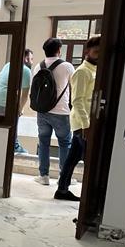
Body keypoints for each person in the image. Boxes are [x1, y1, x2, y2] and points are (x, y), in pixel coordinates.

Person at [54, 36, 100, 201]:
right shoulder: (82, 72)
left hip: (86, 122)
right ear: (87, 51)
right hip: (82, 123)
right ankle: (86, 195)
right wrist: (86, 124)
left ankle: (62, 190)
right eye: (96, 51)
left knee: (73, 158)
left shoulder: (95, 70)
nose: (98, 55)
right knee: (87, 160)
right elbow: (77, 100)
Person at [31, 37, 74, 186]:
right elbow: (75, 87)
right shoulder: (67, 66)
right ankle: (64, 178)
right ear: (59, 50)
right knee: (65, 143)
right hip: (61, 112)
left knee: (43, 143)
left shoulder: (38, 67)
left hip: (42, 112)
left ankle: (44, 176)